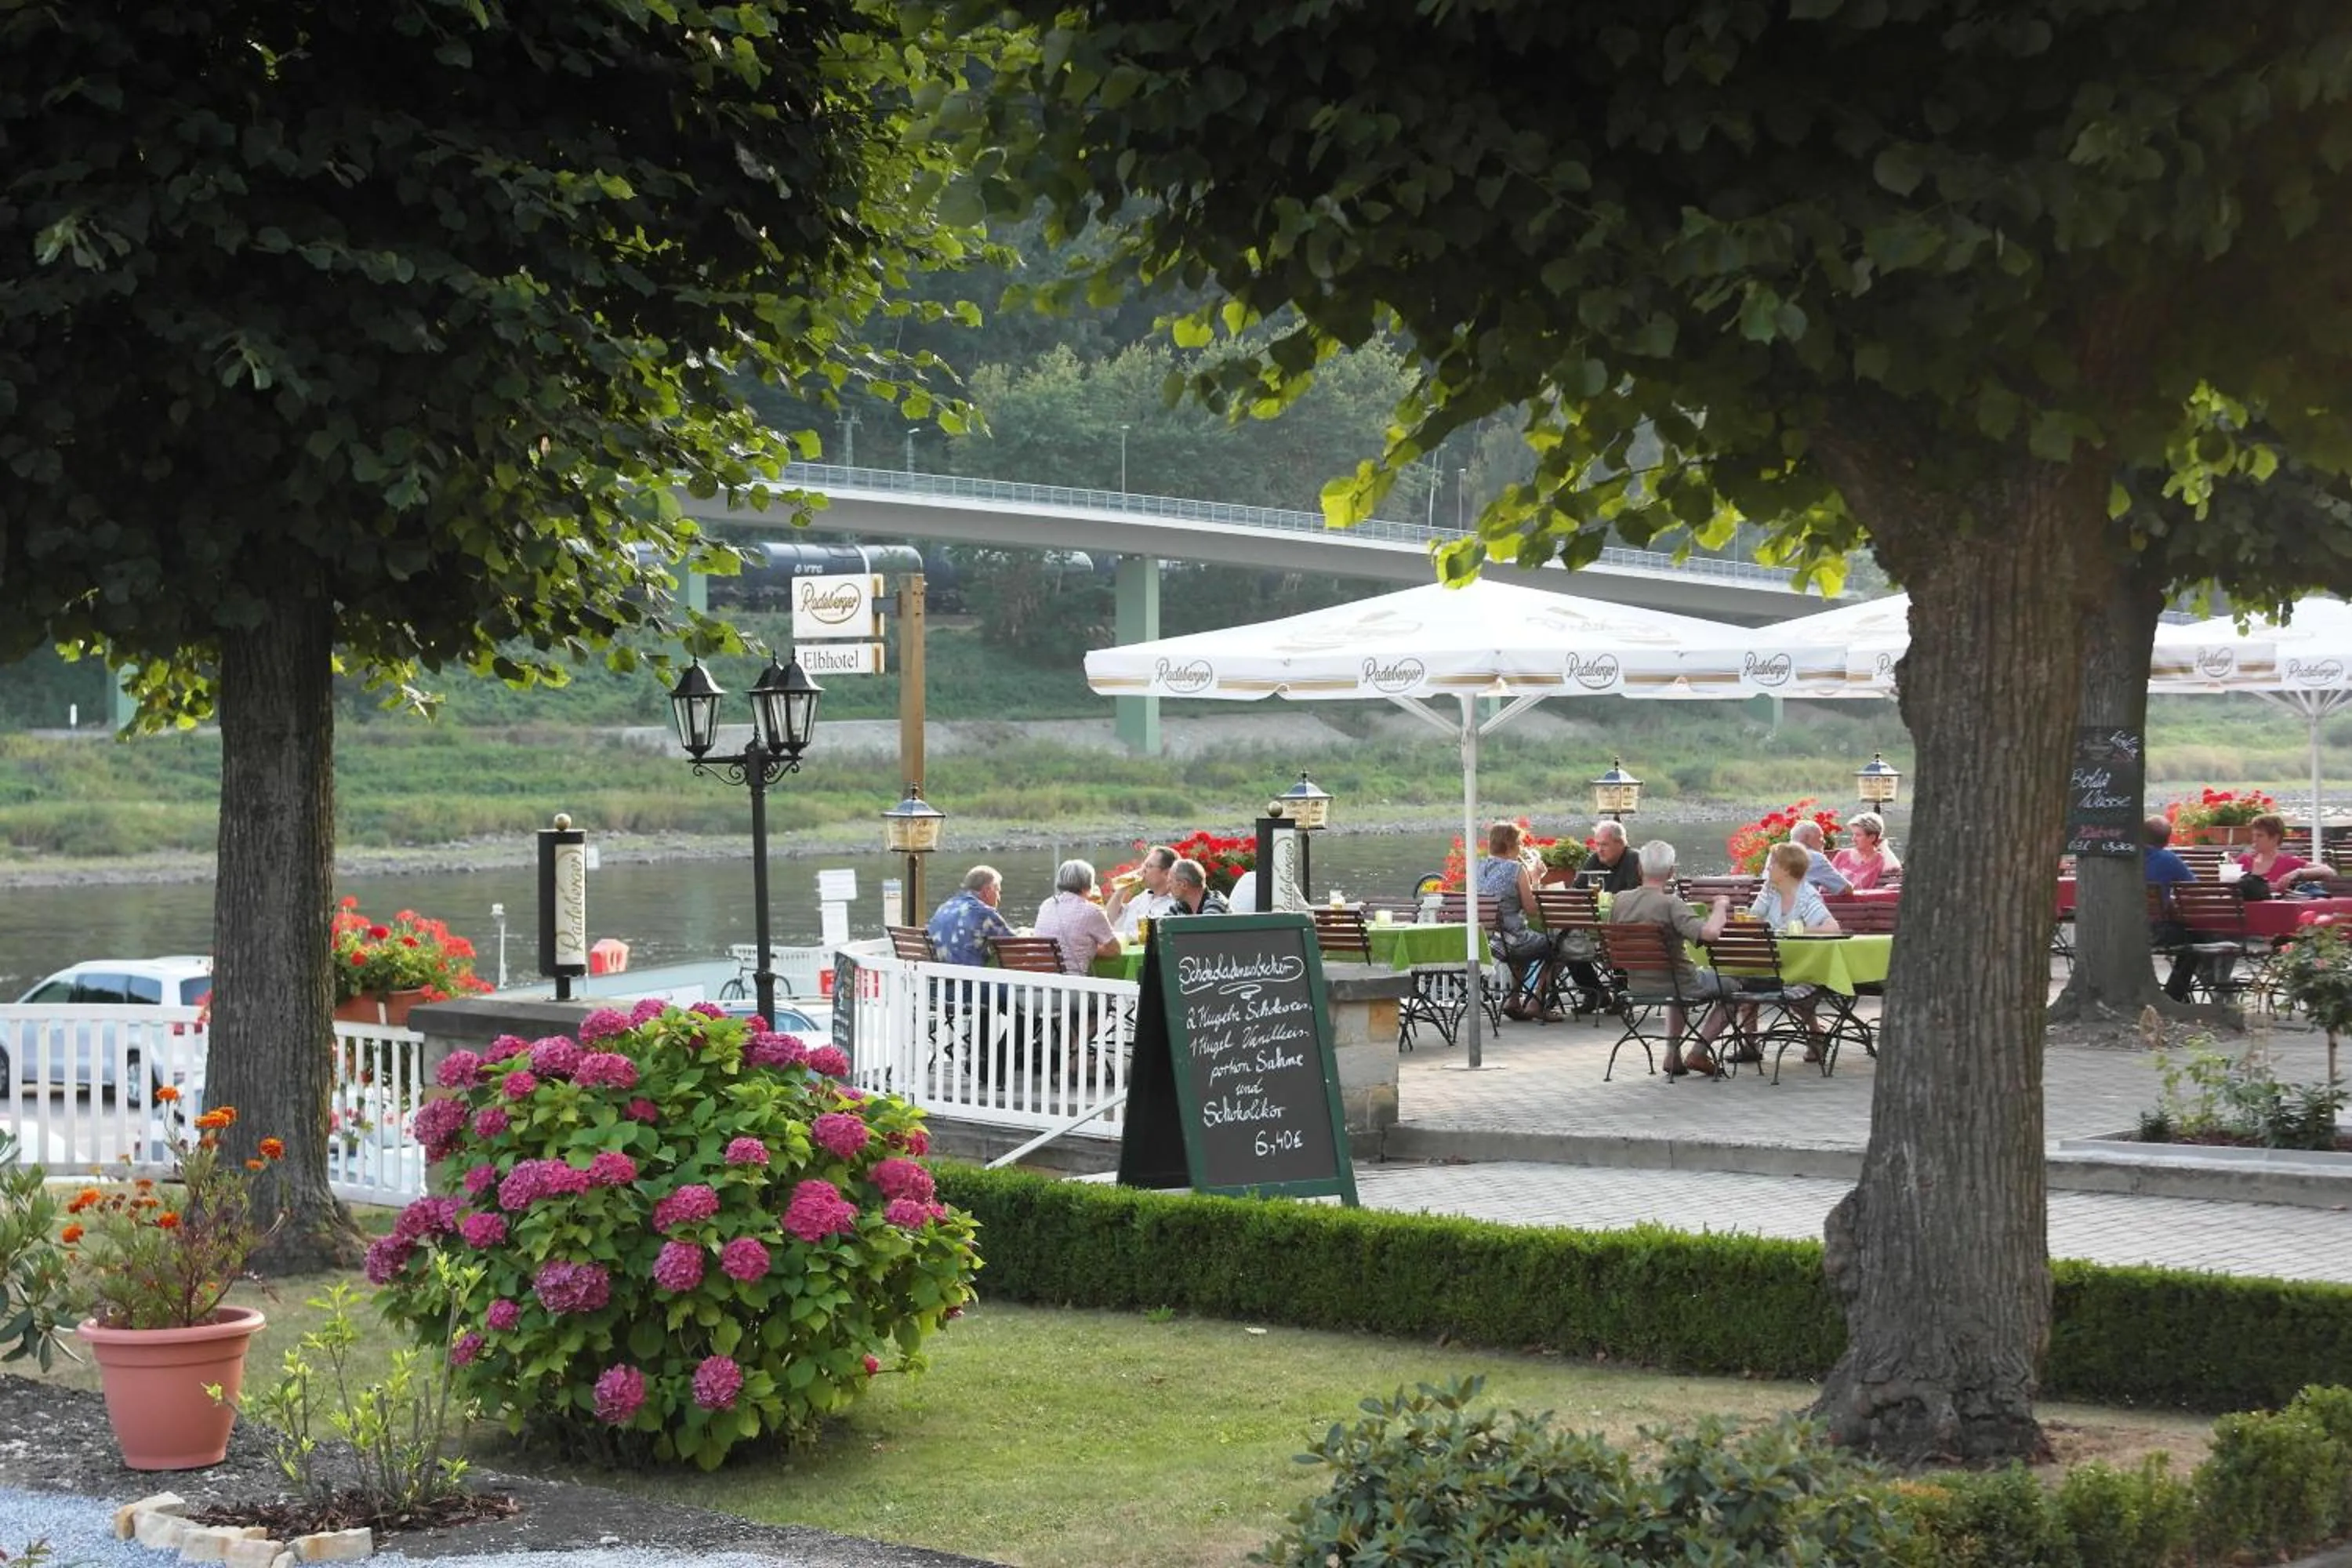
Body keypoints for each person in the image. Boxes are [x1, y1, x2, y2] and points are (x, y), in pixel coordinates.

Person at [1608, 839, 1737, 1076]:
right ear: (1671, 872)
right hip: (1680, 982)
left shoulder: (1620, 901)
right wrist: (1721, 906)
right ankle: (1698, 1052)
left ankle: (1672, 1056)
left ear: (1639, 869)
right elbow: (1709, 934)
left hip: (1637, 984)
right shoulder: (1670, 904)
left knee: (1676, 984)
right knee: (1734, 988)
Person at [1744, 841, 1838, 1062]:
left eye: (1772, 863)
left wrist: (1800, 929)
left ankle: (1816, 1033)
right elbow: (1752, 920)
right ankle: (1750, 1043)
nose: (1768, 868)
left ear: (1786, 869)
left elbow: (1832, 928)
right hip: (1771, 963)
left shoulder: (1806, 896)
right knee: (1746, 981)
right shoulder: (1769, 890)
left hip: (1801, 966)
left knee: (1792, 990)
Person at [1477, 820, 1566, 1023]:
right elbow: (1532, 910)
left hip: (1489, 941)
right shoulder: (1516, 869)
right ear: (1509, 845)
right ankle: (1537, 1002)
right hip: (1512, 941)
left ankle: (1514, 1000)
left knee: (1528, 947)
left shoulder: (1478, 867)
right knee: (1559, 946)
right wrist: (1536, 878)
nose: (1521, 848)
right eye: (1519, 843)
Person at [2144, 815, 2201, 1003]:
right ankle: (2174, 995)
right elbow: (2193, 890)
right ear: (2167, 840)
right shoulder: (2168, 859)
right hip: (2155, 932)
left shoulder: (2125, 857)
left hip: (2122, 927)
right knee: (2198, 939)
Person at [1034, 858, 1121, 974]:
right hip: (1072, 985)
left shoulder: (1047, 904)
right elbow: (1114, 950)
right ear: (1089, 884)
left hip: (1039, 982)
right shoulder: (1092, 911)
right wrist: (1089, 950)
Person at [926, 865, 1013, 967]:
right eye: (998, 891)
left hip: (939, 979)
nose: (999, 898)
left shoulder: (944, 907)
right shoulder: (983, 912)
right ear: (987, 891)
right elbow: (1015, 947)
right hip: (970, 980)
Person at [2236, 812, 2331, 895]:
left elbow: (2328, 871)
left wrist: (2298, 872)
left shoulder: (2287, 862)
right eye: (2254, 835)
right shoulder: (2244, 860)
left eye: (2260, 835)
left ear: (2275, 838)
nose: (2254, 839)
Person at [1104, 845, 1178, 936]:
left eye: (1148, 866)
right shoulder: (1142, 898)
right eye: (1143, 865)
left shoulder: (1176, 904)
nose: (1142, 870)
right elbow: (1109, 920)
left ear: (1166, 873)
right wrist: (1121, 890)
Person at [1829, 812, 1902, 890]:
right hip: (1835, 900)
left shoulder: (1880, 860)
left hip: (1864, 901)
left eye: (1858, 835)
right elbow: (1826, 880)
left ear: (1872, 838)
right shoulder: (1842, 855)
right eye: (1853, 834)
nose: (1853, 839)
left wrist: (1883, 846)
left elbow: (1895, 867)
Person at [1788, 820, 1853, 896]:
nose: (1824, 842)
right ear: (1806, 838)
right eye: (1820, 837)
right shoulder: (1813, 857)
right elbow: (1846, 889)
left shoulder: (1776, 856)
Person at [1577, 820, 1643, 895]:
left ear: (1620, 843)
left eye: (1604, 845)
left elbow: (1633, 896)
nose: (1600, 850)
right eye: (1598, 845)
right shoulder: (1595, 859)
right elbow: (1576, 890)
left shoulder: (1634, 860)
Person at [1165, 858, 1232, 916]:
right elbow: (1162, 926)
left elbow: (1206, 927)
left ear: (1184, 885)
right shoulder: (1180, 907)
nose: (1168, 887)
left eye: (1170, 882)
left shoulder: (1215, 902)